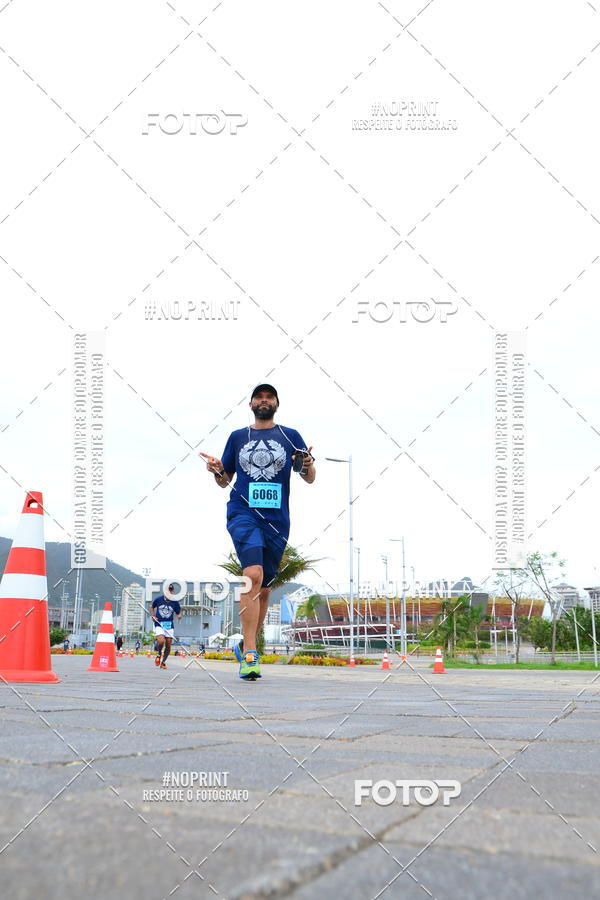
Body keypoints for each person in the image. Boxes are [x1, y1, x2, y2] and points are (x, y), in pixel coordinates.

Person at [200, 384, 315, 680]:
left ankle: (247, 644)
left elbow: (309, 477)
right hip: (243, 513)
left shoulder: (291, 435)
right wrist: (216, 469)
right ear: (250, 403)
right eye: (259, 397)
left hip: (277, 520)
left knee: (264, 588)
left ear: (276, 403)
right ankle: (250, 652)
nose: (264, 400)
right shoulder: (238, 437)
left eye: (269, 397)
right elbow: (224, 481)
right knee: (251, 574)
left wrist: (306, 465)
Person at [151, 584, 182, 669]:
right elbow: (152, 607)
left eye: (171, 590)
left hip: (169, 625)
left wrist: (179, 616)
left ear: (173, 592)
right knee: (161, 641)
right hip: (159, 624)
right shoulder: (158, 599)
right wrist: (153, 615)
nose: (169, 591)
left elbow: (178, 612)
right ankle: (159, 654)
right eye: (168, 590)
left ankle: (163, 662)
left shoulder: (175, 603)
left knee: (168, 645)